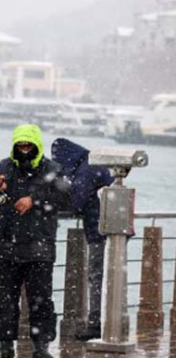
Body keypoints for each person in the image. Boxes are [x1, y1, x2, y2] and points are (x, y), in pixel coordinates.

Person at [0, 124, 71, 358]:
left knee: (41, 299)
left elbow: (65, 199)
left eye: (28, 145)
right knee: (6, 299)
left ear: (37, 145)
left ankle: (41, 347)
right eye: (19, 146)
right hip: (5, 245)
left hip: (39, 246)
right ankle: (4, 345)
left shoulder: (54, 170)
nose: (24, 150)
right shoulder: (3, 167)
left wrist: (34, 200)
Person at [51, 137, 114, 341]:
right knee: (107, 278)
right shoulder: (92, 164)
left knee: (96, 277)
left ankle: (96, 325)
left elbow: (76, 201)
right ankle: (108, 322)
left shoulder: (87, 170)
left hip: (100, 231)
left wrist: (50, 203)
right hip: (110, 228)